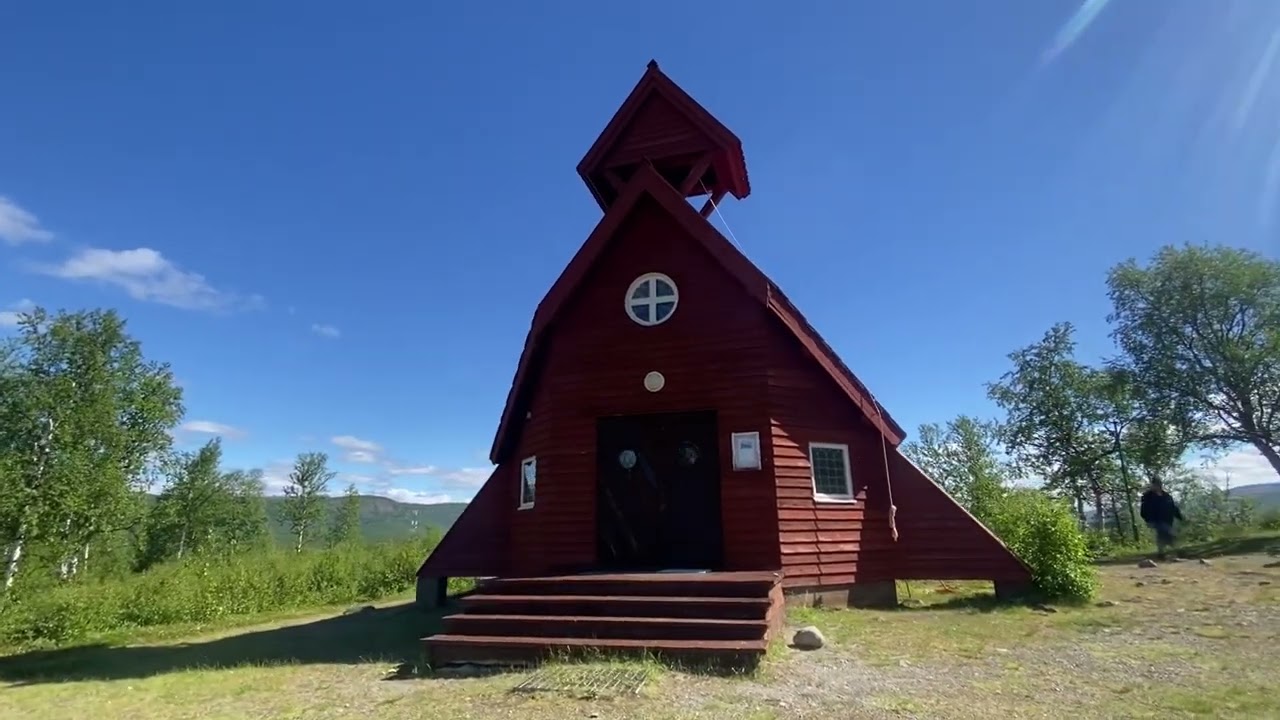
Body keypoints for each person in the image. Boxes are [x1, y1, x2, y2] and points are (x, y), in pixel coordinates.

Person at [1139, 480, 1185, 560]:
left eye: (1157, 485)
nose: (1156, 486)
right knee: (1168, 533)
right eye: (1154, 485)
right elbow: (1144, 510)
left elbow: (1173, 508)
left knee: (1163, 535)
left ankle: (1162, 553)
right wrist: (1147, 519)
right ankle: (1175, 551)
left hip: (1167, 520)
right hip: (1155, 520)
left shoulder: (1166, 496)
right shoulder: (1147, 497)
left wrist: (1180, 517)